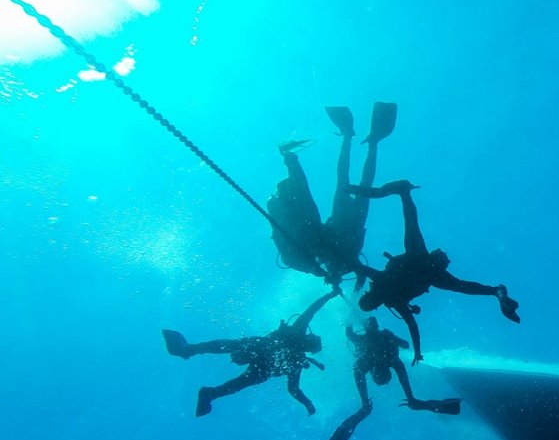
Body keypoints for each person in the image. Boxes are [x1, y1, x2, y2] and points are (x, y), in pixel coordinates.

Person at [349, 179, 520, 365]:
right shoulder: (385, 288)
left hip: (426, 270)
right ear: (369, 295)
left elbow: (412, 324)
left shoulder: (393, 299)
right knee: (412, 226)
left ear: (375, 304)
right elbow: (358, 266)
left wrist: (418, 351)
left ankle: (495, 291)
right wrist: (417, 350)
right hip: (422, 263)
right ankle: (404, 193)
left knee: (460, 285)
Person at [267, 101, 398, 286]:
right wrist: (351, 278)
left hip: (344, 218)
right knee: (355, 180)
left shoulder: (318, 260)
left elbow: (358, 269)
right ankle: (363, 141)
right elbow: (360, 270)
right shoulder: (343, 263)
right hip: (351, 219)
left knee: (350, 179)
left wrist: (325, 272)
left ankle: (354, 138)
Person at [161, 289, 339, 417]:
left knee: (231, 350)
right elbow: (312, 310)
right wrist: (308, 404)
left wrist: (308, 404)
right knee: (237, 366)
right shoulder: (297, 344)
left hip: (262, 356)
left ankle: (203, 376)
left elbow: (293, 389)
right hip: (263, 359)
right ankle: (204, 379)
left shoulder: (297, 356)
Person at [327, 316, 461, 440]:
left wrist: (365, 404)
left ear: (373, 372)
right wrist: (411, 399)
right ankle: (353, 314)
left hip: (376, 338)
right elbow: (404, 356)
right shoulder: (390, 360)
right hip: (379, 338)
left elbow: (402, 364)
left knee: (356, 329)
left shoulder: (375, 362)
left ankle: (353, 314)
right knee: (357, 328)